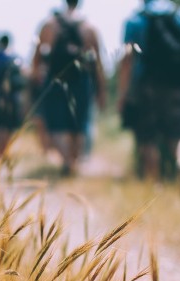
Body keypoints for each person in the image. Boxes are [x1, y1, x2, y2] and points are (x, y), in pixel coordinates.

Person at [117, 0, 180, 192]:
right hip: (178, 83)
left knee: (148, 136)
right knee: (179, 131)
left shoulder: (135, 20)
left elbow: (127, 59)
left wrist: (123, 94)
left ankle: (154, 186)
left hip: (147, 84)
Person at [32, 0, 107, 176]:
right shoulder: (90, 27)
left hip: (56, 79)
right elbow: (98, 63)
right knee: (79, 123)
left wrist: (36, 84)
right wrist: (101, 90)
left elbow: (36, 57)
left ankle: (66, 160)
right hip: (82, 80)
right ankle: (73, 161)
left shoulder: (49, 25)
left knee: (58, 123)